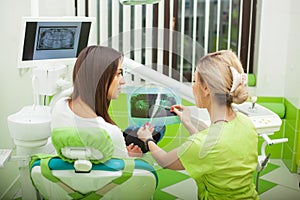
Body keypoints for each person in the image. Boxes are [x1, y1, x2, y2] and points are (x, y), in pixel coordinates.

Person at [137, 50, 259, 199]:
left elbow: (165, 161)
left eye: (195, 81)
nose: (193, 87)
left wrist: (148, 138)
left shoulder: (202, 144)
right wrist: (188, 123)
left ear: (206, 88)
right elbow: (213, 151)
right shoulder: (246, 122)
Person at [51, 45, 142, 158]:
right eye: (118, 74)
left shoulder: (59, 107)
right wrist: (132, 157)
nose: (122, 81)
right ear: (101, 77)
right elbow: (123, 168)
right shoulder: (111, 133)